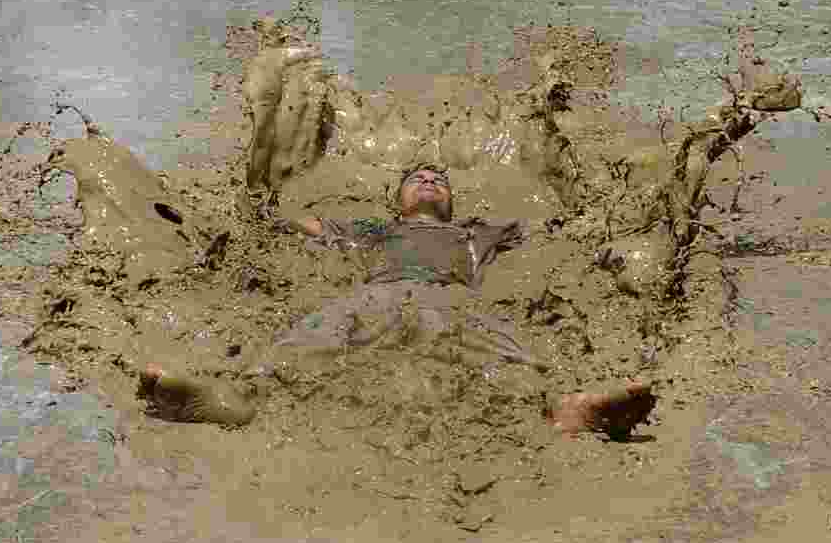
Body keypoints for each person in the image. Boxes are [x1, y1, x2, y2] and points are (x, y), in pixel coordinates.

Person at [139, 164, 657, 437]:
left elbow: (565, 229)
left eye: (439, 180)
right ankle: (234, 403)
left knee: (506, 352)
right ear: (400, 199)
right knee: (309, 338)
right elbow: (296, 224)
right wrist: (254, 200)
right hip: (372, 295)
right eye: (418, 179)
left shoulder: (478, 232)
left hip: (455, 302)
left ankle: (567, 411)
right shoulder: (371, 230)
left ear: (451, 201)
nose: (429, 181)